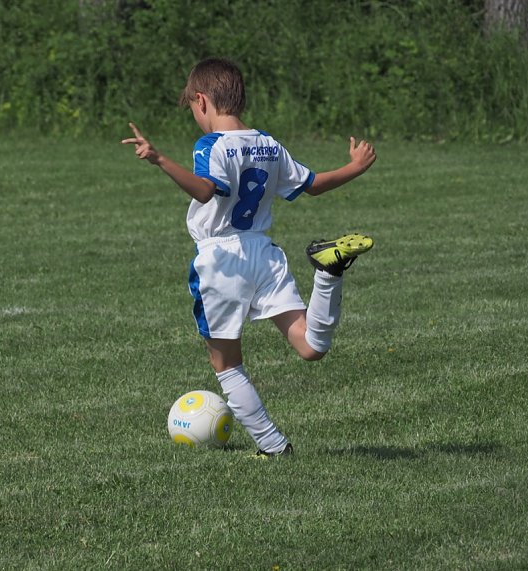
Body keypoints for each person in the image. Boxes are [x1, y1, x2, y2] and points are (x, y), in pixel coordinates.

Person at [121, 58, 377, 457]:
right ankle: (327, 273)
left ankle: (273, 446)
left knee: (226, 364)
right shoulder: (268, 144)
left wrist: (159, 159)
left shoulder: (211, 145)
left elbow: (205, 191)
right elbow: (313, 186)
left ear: (201, 100)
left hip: (222, 260)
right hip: (262, 252)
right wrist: (354, 167)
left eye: (191, 108)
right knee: (311, 346)